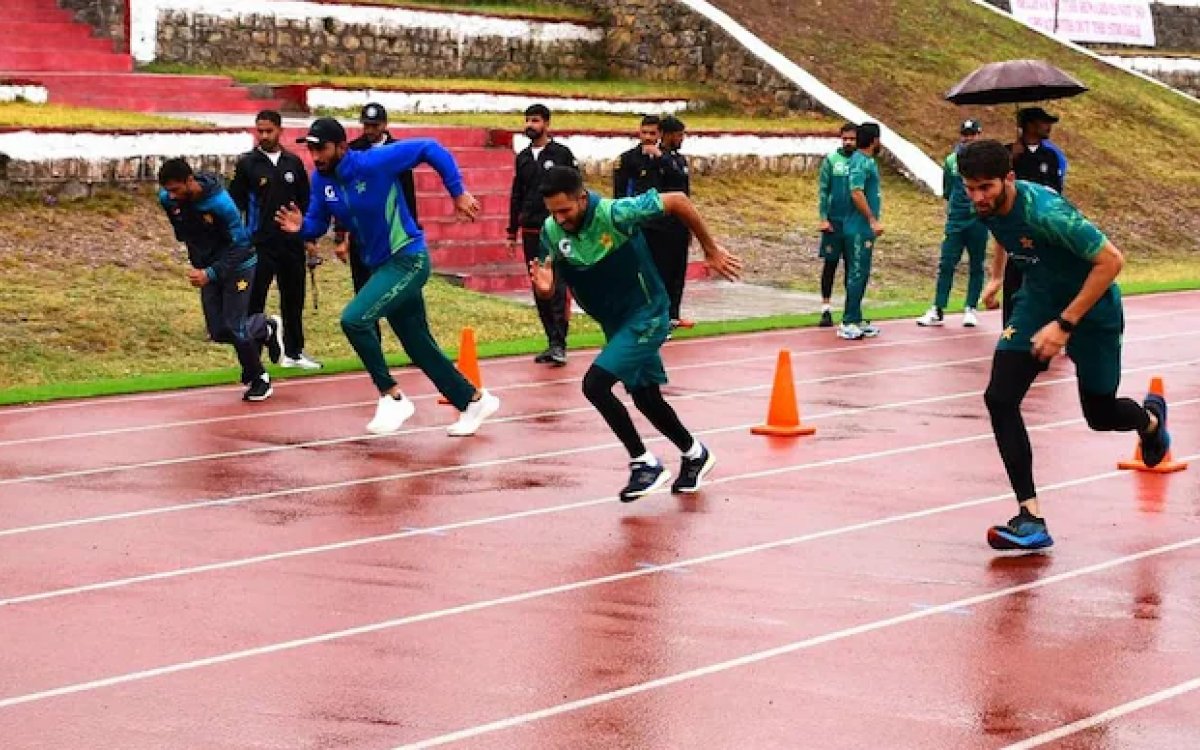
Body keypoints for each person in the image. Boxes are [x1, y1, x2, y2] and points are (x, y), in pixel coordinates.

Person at [958, 140, 1171, 551]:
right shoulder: (981, 205)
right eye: (970, 188)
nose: (976, 197)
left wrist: (1065, 324)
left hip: (1092, 310)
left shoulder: (1047, 212)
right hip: (1037, 300)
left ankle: (1151, 424)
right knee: (1000, 398)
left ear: (1009, 179)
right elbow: (1003, 232)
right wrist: (999, 276)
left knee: (1100, 413)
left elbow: (1111, 261)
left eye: (985, 188)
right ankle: (1030, 517)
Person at [528, 166, 742, 501]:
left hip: (648, 314)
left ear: (582, 198)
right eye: (553, 212)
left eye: (565, 210)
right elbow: (549, 282)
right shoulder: (552, 231)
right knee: (645, 396)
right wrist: (544, 290)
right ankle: (695, 453)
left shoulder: (616, 213)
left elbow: (679, 201)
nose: (560, 219)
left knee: (595, 385)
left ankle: (644, 463)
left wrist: (710, 249)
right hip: (615, 324)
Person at [275, 117, 499, 436]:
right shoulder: (320, 181)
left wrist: (457, 192)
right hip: (381, 267)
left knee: (354, 319)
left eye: (321, 149)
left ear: (341, 146)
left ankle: (392, 396)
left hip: (408, 259)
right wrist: (301, 230)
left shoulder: (374, 161)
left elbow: (429, 148)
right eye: (310, 150)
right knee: (418, 346)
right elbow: (316, 223)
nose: (316, 157)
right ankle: (473, 401)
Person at [157, 158, 280, 401]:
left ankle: (260, 380)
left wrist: (210, 273)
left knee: (235, 326)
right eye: (167, 190)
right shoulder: (167, 200)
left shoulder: (221, 204)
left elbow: (241, 246)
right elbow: (183, 231)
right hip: (208, 267)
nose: (170, 196)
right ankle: (264, 327)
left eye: (175, 190)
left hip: (240, 265)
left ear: (190, 181)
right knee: (218, 331)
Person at [229, 109, 320, 369]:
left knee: (294, 298)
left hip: (291, 243)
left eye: (269, 131)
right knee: (255, 300)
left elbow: (306, 202)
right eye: (260, 131)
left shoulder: (293, 162)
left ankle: (294, 352)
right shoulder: (248, 164)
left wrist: (309, 238)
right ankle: (253, 357)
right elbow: (235, 203)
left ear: (280, 130)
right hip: (260, 244)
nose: (264, 136)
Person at [333, 102, 421, 343]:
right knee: (364, 294)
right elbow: (342, 197)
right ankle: (374, 348)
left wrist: (413, 231)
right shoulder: (353, 152)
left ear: (384, 125)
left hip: (396, 238)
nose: (369, 130)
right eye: (366, 125)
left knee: (405, 296)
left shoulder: (398, 151)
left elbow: (408, 195)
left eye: (374, 125)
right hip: (364, 237)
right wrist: (341, 236)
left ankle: (416, 345)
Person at [506, 103, 577, 366]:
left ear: (546, 124)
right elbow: (517, 194)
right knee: (539, 285)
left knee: (557, 285)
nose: (530, 125)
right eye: (527, 120)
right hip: (531, 230)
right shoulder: (522, 157)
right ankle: (550, 341)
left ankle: (560, 342)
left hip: (557, 230)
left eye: (535, 120)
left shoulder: (560, 154)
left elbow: (574, 188)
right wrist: (512, 230)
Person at [916, 119, 988, 328]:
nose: (968, 138)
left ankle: (971, 307)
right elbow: (947, 189)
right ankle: (938, 308)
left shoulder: (985, 161)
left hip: (979, 219)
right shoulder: (951, 160)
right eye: (965, 134)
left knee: (976, 263)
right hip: (956, 219)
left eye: (972, 134)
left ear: (979, 135)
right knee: (947, 263)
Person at [1003, 106, 1068, 326]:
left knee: (1047, 276)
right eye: (1043, 122)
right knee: (1015, 275)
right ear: (1029, 125)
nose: (1049, 127)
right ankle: (1011, 327)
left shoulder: (1050, 156)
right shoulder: (1008, 153)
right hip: (1017, 225)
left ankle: (1049, 325)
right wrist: (1011, 159)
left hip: (1044, 226)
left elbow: (1056, 191)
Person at [838, 122, 884, 341]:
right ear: (874, 140)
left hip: (863, 229)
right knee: (856, 273)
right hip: (857, 228)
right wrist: (872, 219)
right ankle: (847, 321)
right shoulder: (860, 162)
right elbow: (856, 192)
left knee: (862, 273)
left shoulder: (867, 161)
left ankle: (856, 317)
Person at [654, 115, 694, 331]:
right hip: (662, 227)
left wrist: (689, 225)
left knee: (678, 273)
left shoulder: (680, 160)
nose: (681, 138)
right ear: (667, 135)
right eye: (678, 135)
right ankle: (661, 318)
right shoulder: (657, 160)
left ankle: (674, 315)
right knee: (663, 273)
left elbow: (686, 195)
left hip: (680, 225)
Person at [816, 122, 858, 327]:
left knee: (853, 267)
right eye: (845, 139)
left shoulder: (862, 162)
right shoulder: (832, 160)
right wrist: (823, 218)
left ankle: (851, 311)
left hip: (854, 224)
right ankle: (825, 309)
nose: (848, 142)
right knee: (830, 265)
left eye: (852, 139)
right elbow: (824, 191)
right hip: (834, 223)